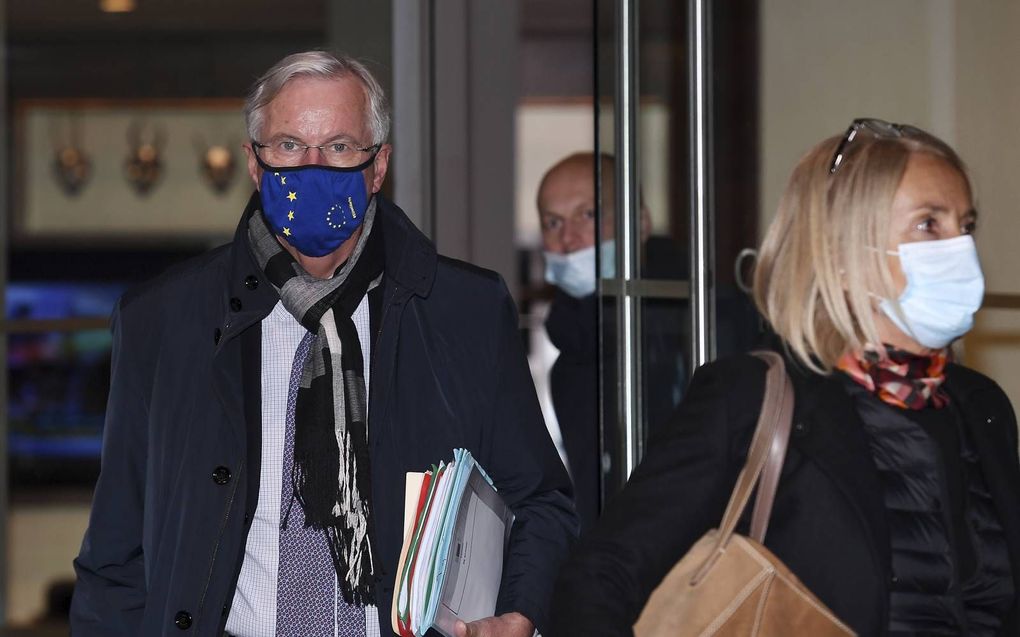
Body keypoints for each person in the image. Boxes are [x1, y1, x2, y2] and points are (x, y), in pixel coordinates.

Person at [70, 51, 577, 637]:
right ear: (255, 165)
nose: (312, 169)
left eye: (338, 147)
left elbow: (540, 500)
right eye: (288, 146)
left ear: (378, 166)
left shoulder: (462, 311)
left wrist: (519, 611)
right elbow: (114, 555)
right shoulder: (162, 320)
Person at [549, 119, 1020, 635]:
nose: (960, 249)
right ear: (843, 252)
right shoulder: (753, 398)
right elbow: (601, 575)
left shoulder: (981, 406)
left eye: (965, 225)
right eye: (929, 225)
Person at [536, 152, 686, 529]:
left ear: (639, 223)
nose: (568, 240)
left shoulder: (689, 325)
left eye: (588, 215)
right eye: (553, 223)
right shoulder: (569, 354)